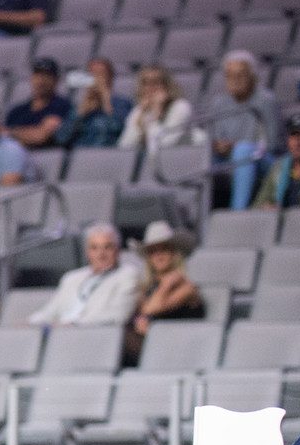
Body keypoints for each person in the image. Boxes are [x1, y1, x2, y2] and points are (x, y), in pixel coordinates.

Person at [203, 50, 282, 211]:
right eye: (230, 76)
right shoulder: (218, 103)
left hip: (264, 160)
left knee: (243, 150)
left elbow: (275, 145)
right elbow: (215, 139)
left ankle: (238, 213)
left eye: (241, 75)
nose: (235, 81)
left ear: (253, 77)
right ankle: (198, 216)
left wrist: (236, 147)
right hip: (228, 160)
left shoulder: (266, 101)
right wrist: (218, 146)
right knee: (201, 157)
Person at [27, 223, 141, 327]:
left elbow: (117, 316)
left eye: (107, 247)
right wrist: (30, 323)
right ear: (87, 252)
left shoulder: (127, 275)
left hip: (93, 336)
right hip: (60, 333)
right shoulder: (71, 278)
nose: (101, 254)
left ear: (117, 250)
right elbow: (51, 311)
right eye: (94, 248)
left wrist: (73, 325)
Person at [123, 222, 204, 364]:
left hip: (177, 346)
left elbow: (151, 308)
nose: (158, 255)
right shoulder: (146, 287)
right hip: (150, 345)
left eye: (164, 249)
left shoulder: (187, 287)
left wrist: (169, 281)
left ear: (174, 253)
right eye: (153, 251)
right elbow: (138, 314)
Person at [118, 64, 195, 153]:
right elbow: (124, 147)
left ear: (167, 86)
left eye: (156, 82)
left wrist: (157, 112)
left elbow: (163, 147)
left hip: (177, 161)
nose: (150, 88)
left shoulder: (181, 107)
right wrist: (140, 120)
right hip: (147, 163)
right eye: (145, 83)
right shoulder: (139, 110)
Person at [4, 58, 72, 150]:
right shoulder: (17, 111)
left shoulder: (62, 106)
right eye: (37, 75)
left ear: (56, 80)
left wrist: (12, 133)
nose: (41, 81)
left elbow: (41, 136)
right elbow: (3, 139)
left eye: (47, 76)